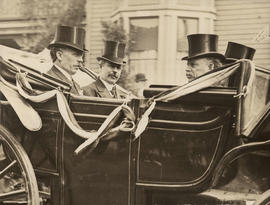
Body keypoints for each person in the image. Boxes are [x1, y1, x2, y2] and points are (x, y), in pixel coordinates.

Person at [47, 25, 87, 95]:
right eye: (76, 55)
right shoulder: (48, 81)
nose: (81, 60)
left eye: (82, 56)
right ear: (59, 55)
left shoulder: (76, 85)